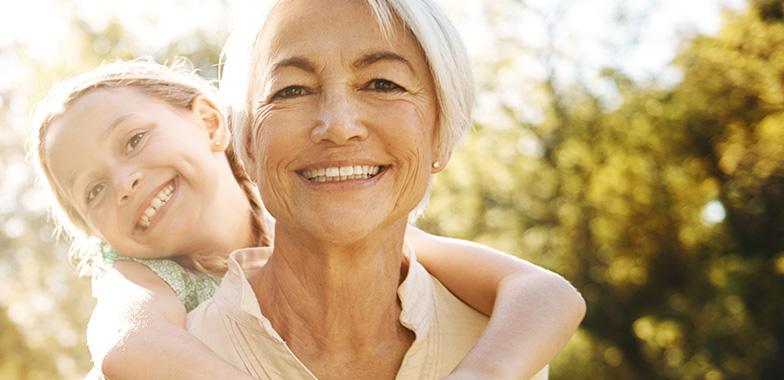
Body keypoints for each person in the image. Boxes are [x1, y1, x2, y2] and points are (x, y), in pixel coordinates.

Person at [28, 59, 581, 379]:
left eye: (133, 139)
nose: (123, 182)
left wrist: (481, 374)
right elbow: (129, 345)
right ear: (93, 231)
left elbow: (544, 293)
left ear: (209, 122)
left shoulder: (316, 223)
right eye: (94, 190)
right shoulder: (141, 278)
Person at [184, 0, 570, 378]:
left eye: (382, 84)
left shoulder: (503, 345)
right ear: (247, 145)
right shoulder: (165, 353)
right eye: (292, 90)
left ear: (442, 133)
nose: (338, 125)